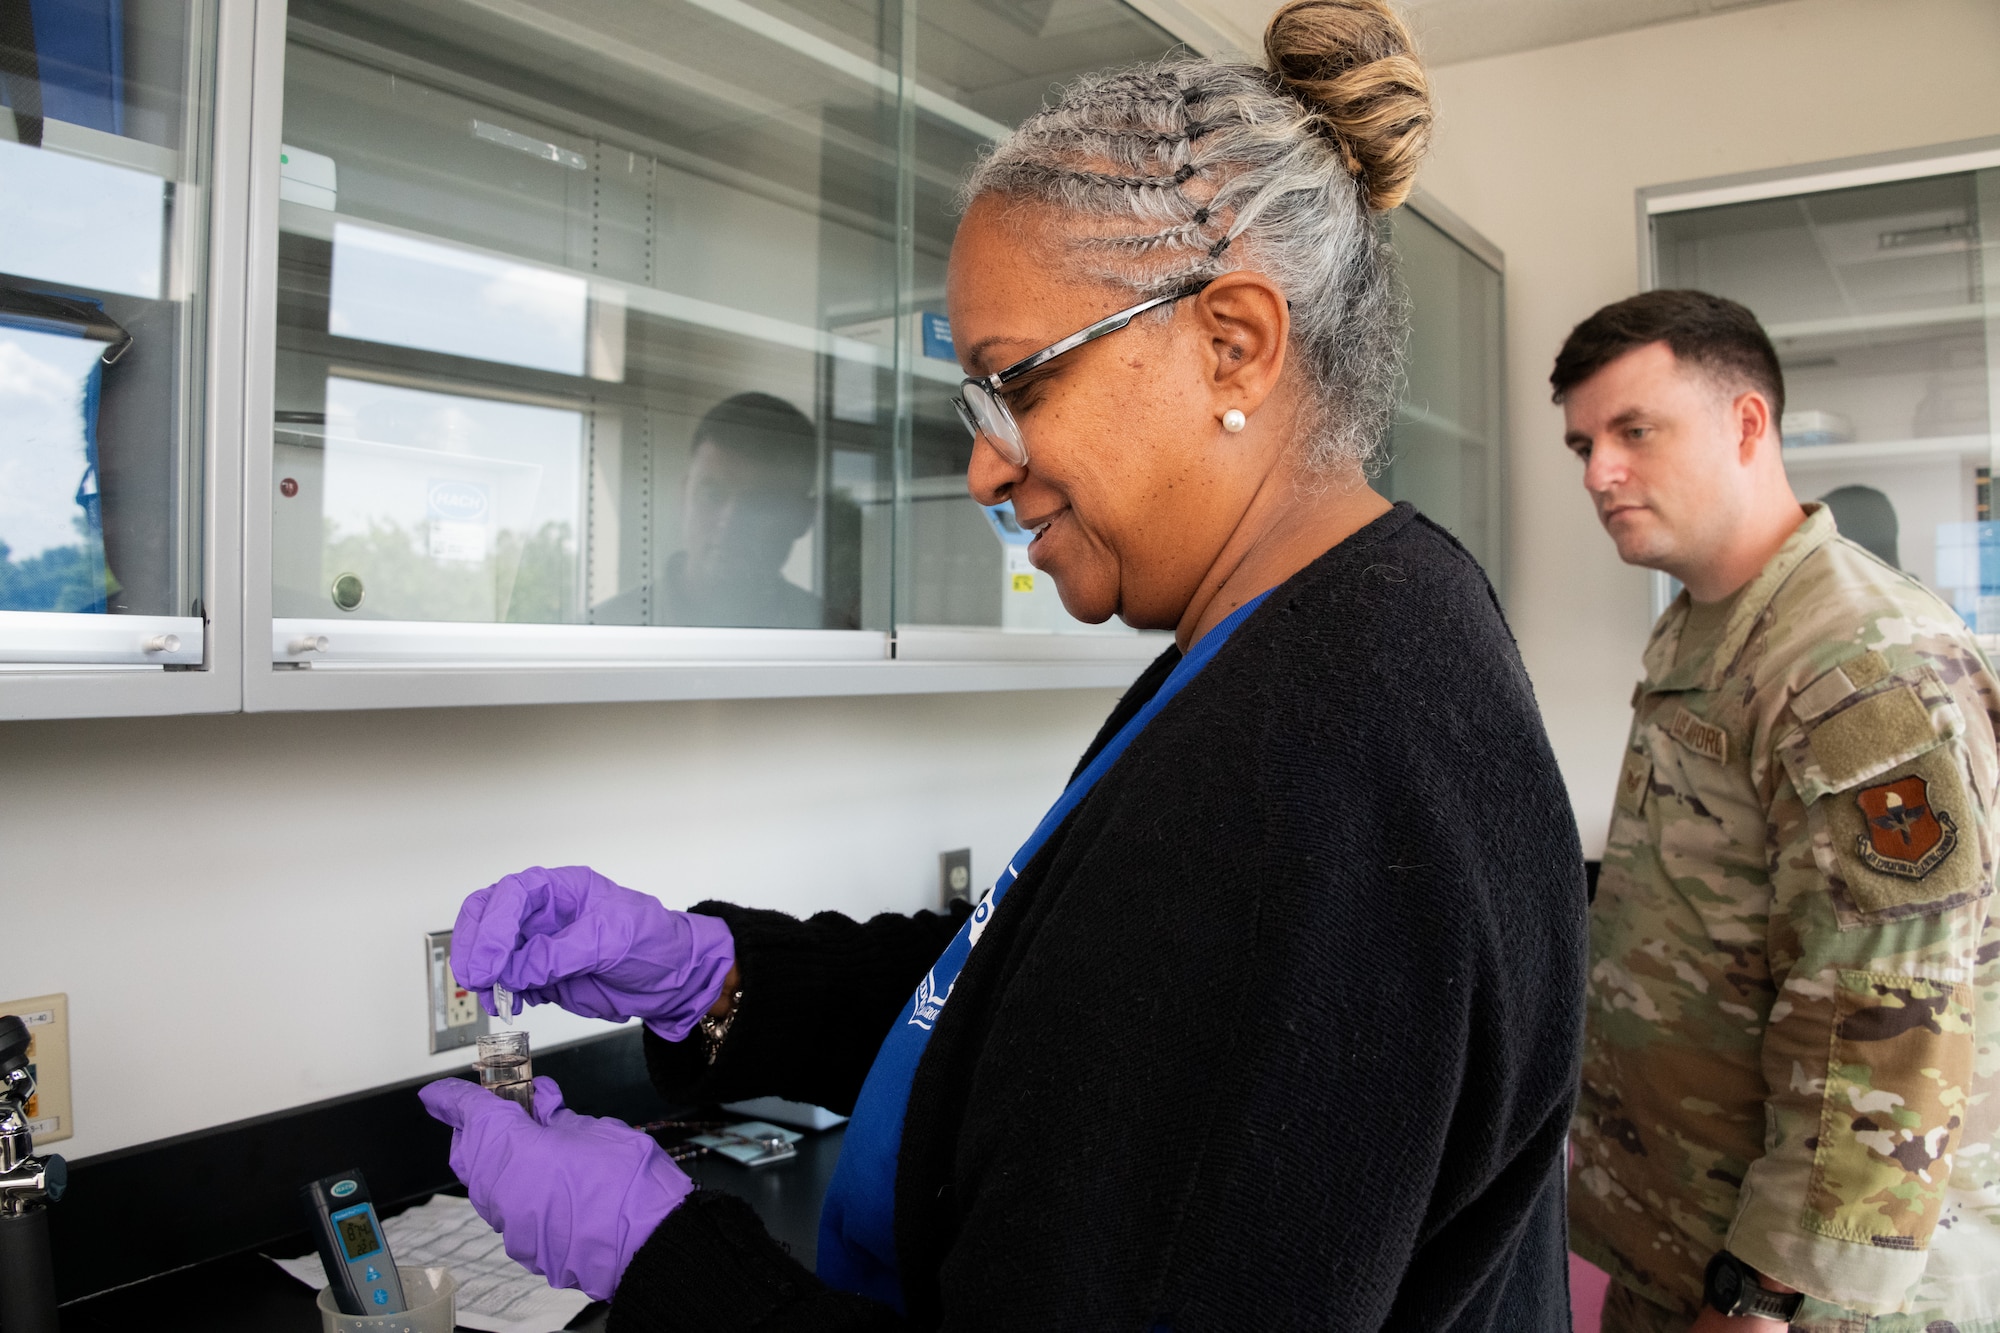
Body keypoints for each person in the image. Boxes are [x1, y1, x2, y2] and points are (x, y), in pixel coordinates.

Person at [419, 3, 1588, 1327]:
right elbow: (1048, 1012)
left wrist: (659, 1256)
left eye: (1017, 387)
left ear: (1233, 343)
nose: (984, 466)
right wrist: (713, 972)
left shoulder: (1318, 763)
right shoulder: (1326, 627)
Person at [1555, 290, 2000, 1333]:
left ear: (1746, 424)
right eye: (1582, 443)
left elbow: (1890, 1013)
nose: (1596, 473)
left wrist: (1763, 1296)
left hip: (1816, 1298)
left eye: (1632, 431)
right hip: (1683, 1242)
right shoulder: (1698, 633)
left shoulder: (1852, 659)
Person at [657, 392, 835, 630]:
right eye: (713, 495)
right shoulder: (607, 633)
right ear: (683, 496)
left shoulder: (839, 634)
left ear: (804, 517)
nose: (730, 522)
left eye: (760, 503)